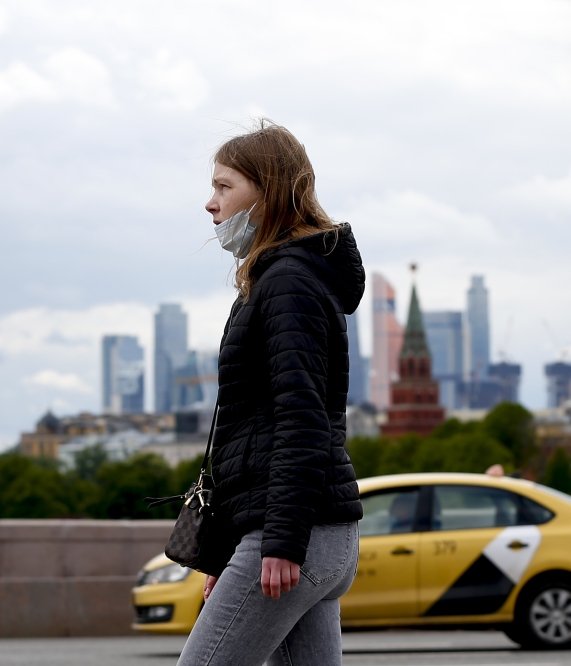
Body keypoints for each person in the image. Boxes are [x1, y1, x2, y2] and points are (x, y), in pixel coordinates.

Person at [176, 121, 365, 666]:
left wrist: (279, 542)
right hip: (308, 531)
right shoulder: (282, 278)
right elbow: (259, 431)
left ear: (269, 190)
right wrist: (233, 544)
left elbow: (301, 420)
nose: (210, 205)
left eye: (224, 186)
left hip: (296, 535)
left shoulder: (287, 282)